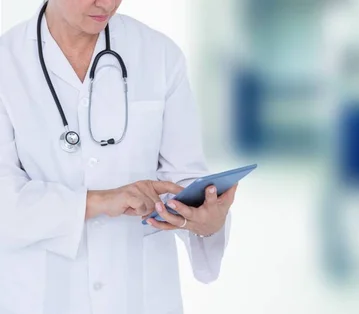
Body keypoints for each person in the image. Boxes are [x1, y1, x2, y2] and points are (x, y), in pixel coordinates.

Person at [0, 1, 236, 313]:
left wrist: (207, 220)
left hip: (141, 294)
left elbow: (184, 180)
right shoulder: (7, 62)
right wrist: (97, 201)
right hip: (42, 294)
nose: (107, 3)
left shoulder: (159, 55)